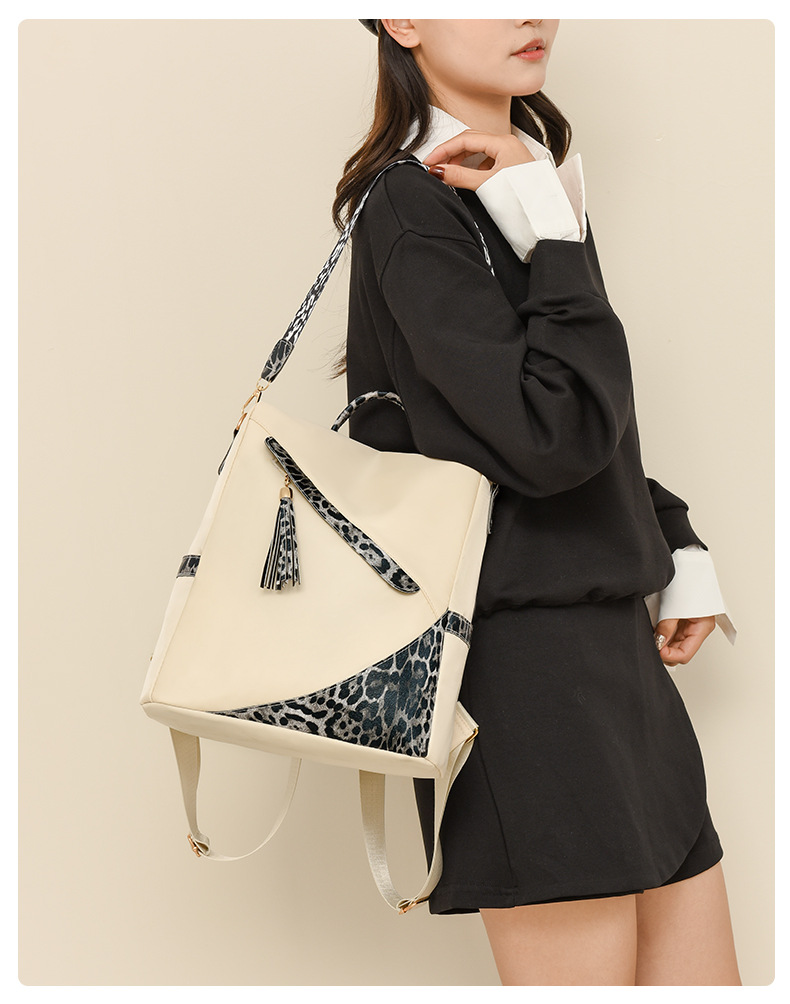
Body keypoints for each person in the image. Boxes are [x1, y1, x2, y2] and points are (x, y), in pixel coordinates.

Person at [333, 19, 742, 986]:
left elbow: (569, 420)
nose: (533, 12)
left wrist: (671, 540)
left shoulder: (521, 181)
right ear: (402, 18)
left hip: (611, 655)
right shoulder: (413, 202)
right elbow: (547, 438)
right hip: (522, 677)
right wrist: (555, 234)